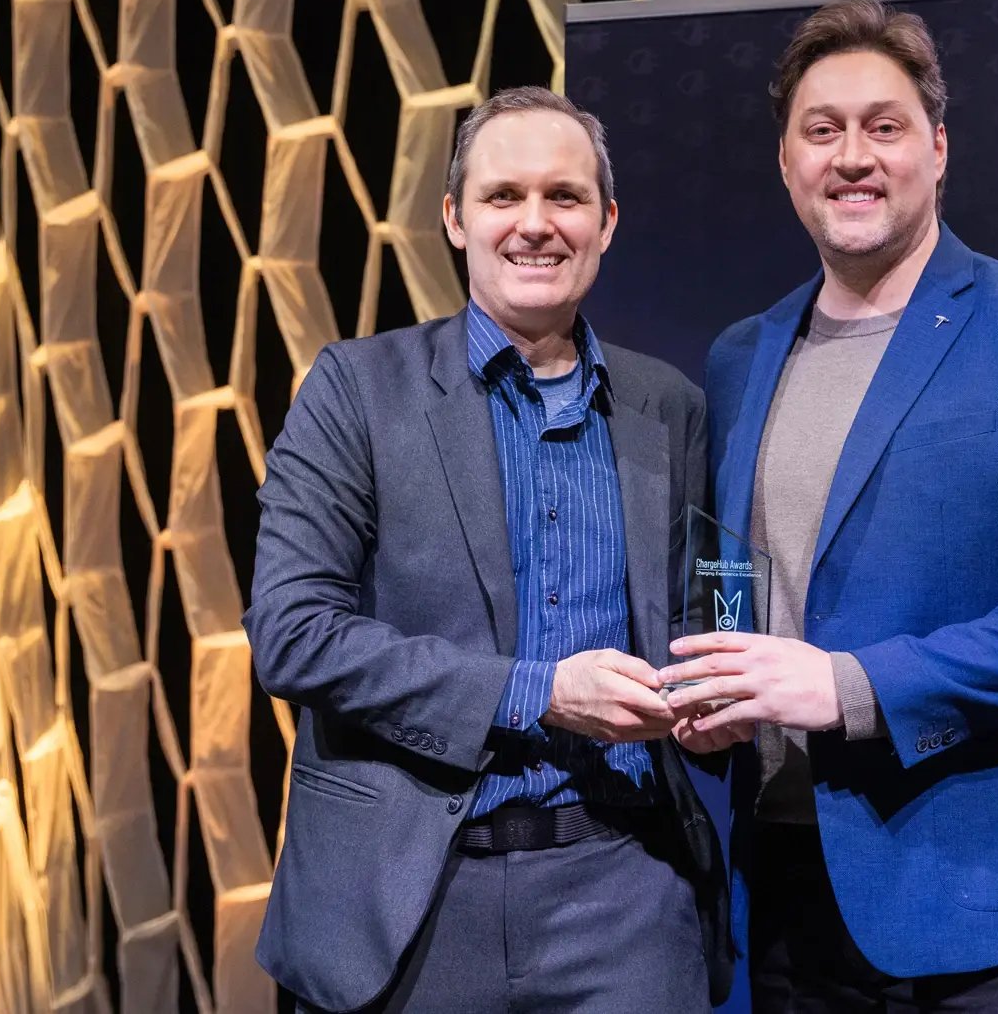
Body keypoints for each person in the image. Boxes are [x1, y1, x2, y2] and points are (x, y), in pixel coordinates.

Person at [663, 0, 998, 1012]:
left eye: (882, 126)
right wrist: (711, 700)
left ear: (935, 147)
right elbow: (738, 577)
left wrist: (849, 684)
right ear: (786, 160)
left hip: (986, 911)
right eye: (821, 129)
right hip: (790, 902)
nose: (852, 155)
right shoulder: (738, 354)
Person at [246, 85, 730, 1013]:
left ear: (608, 221)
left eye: (566, 197)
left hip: (626, 896)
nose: (535, 224)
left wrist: (723, 690)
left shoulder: (666, 403)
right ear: (455, 220)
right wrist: (540, 691)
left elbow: (706, 603)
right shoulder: (357, 390)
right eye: (504, 196)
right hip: (411, 906)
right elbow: (293, 633)